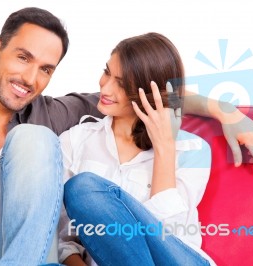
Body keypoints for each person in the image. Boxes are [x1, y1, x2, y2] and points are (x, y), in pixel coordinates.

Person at [0, 6, 253, 266]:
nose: (31, 80)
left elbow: (154, 93)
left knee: (36, 142)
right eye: (22, 57)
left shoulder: (56, 115)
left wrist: (224, 110)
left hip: (170, 256)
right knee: (75, 181)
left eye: (46, 69)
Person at [57, 32, 213, 265]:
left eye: (121, 84)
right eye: (107, 72)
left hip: (178, 259)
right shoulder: (75, 141)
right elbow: (65, 241)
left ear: (149, 93)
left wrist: (165, 148)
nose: (106, 88)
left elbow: (170, 235)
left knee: (85, 186)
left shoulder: (193, 149)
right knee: (83, 189)